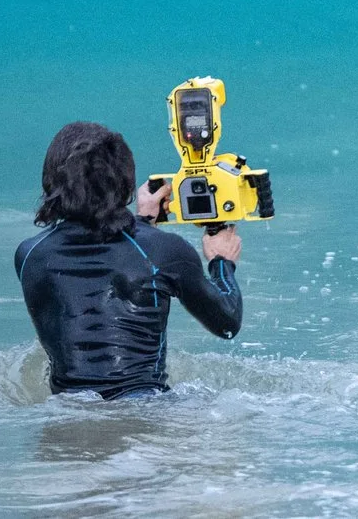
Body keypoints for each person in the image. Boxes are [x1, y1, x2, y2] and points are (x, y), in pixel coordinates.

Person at [15, 120, 244, 397]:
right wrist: (221, 262)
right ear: (124, 179)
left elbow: (104, 254)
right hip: (147, 413)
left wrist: (144, 220)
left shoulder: (30, 254)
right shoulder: (164, 251)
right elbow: (227, 322)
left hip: (68, 416)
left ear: (51, 179)